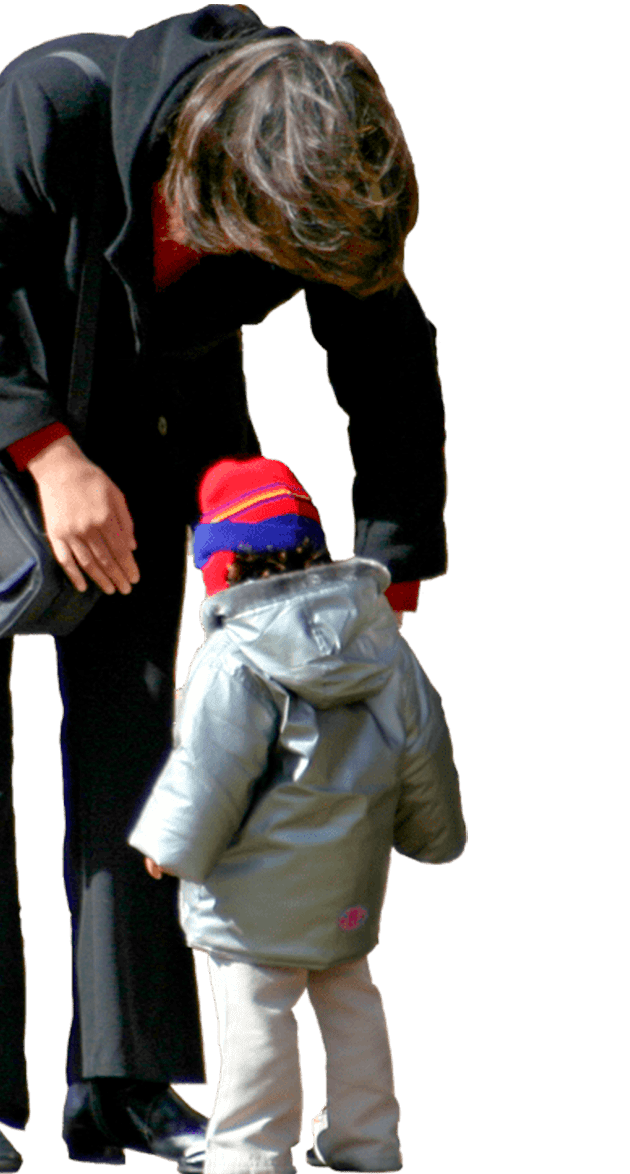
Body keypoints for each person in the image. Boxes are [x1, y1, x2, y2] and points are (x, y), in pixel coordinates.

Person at [0, 6, 448, 1172]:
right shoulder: (55, 103)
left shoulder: (317, 169)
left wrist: (389, 570)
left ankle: (124, 1081)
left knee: (148, 743)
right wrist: (49, 456)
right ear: (221, 172)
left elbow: (387, 355)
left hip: (138, 421)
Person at [129, 455, 467, 1174]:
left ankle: (251, 1152)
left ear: (221, 568)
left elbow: (210, 767)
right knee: (352, 1005)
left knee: (256, 1013)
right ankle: (366, 1142)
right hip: (347, 884)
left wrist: (170, 843)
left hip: (250, 895)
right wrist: (431, 835)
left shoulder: (234, 657)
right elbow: (424, 747)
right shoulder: (383, 644)